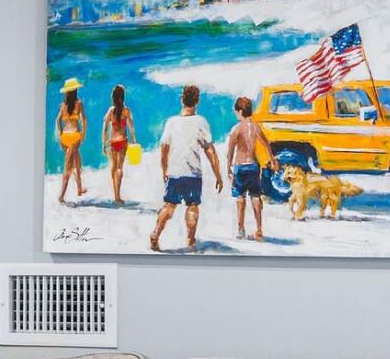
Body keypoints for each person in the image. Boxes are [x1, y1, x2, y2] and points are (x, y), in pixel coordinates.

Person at [149, 85, 221, 251]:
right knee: (192, 206)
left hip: (174, 172)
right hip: (193, 173)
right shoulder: (201, 122)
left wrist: (164, 170)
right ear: (197, 101)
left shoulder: (171, 122)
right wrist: (218, 175)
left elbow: (164, 148)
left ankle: (156, 233)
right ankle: (190, 241)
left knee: (169, 206)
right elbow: (209, 150)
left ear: (182, 100)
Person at [223, 93, 271, 240]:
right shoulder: (256, 127)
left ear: (240, 111)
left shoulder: (236, 129)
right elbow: (266, 144)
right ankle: (259, 229)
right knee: (255, 196)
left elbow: (230, 151)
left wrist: (228, 168)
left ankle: (240, 228)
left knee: (240, 197)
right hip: (254, 166)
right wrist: (272, 159)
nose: (235, 114)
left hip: (240, 166)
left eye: (236, 112)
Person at [53, 79, 89, 203]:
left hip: (64, 138)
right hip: (74, 137)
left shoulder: (62, 105)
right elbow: (84, 121)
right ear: (75, 91)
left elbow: (58, 120)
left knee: (77, 161)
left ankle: (79, 189)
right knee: (68, 167)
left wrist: (60, 133)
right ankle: (61, 196)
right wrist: (83, 134)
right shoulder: (79, 104)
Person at [101, 84, 135, 205]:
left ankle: (115, 194)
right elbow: (131, 127)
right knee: (120, 167)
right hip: (123, 141)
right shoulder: (126, 110)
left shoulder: (111, 111)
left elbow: (105, 128)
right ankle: (118, 195)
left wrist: (103, 143)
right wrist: (134, 140)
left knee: (114, 166)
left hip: (113, 142)